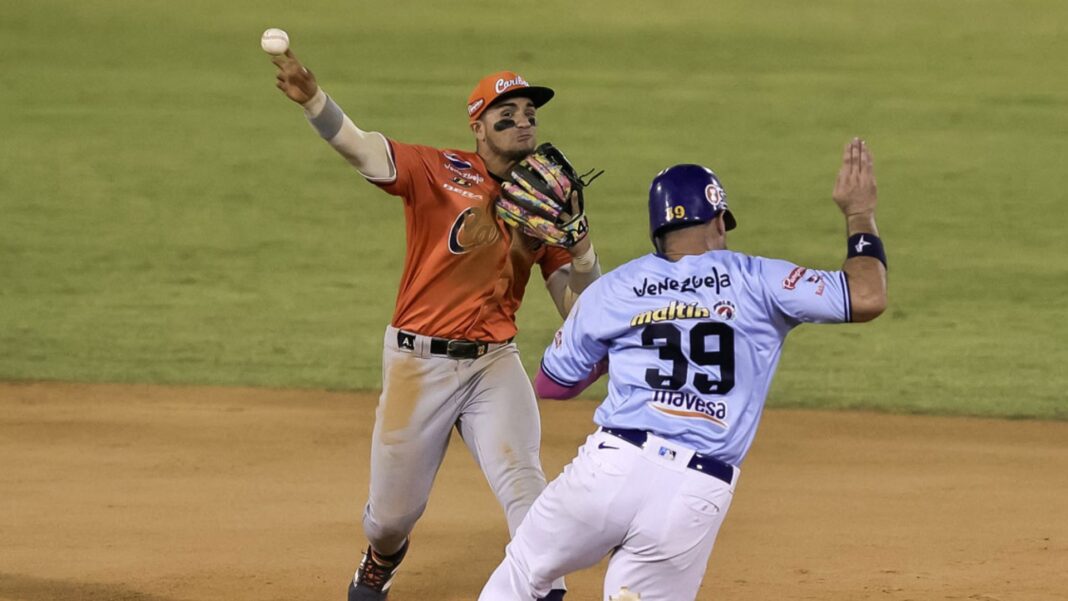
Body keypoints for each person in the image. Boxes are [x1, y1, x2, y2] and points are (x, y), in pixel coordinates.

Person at [479, 138, 887, 601]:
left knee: (523, 572)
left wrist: (625, 350)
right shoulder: (758, 278)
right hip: (694, 488)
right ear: (718, 220)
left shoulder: (616, 289)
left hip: (610, 468)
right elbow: (868, 297)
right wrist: (859, 215)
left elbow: (553, 383)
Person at [270, 49, 602, 601]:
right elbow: (360, 146)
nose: (523, 120)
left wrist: (582, 246)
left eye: (530, 113)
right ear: (478, 125)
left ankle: (544, 590)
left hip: (494, 365)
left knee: (525, 484)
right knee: (389, 520)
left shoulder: (542, 202)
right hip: (415, 365)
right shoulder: (434, 169)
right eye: (508, 111)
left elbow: (579, 313)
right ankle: (381, 558)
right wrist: (314, 100)